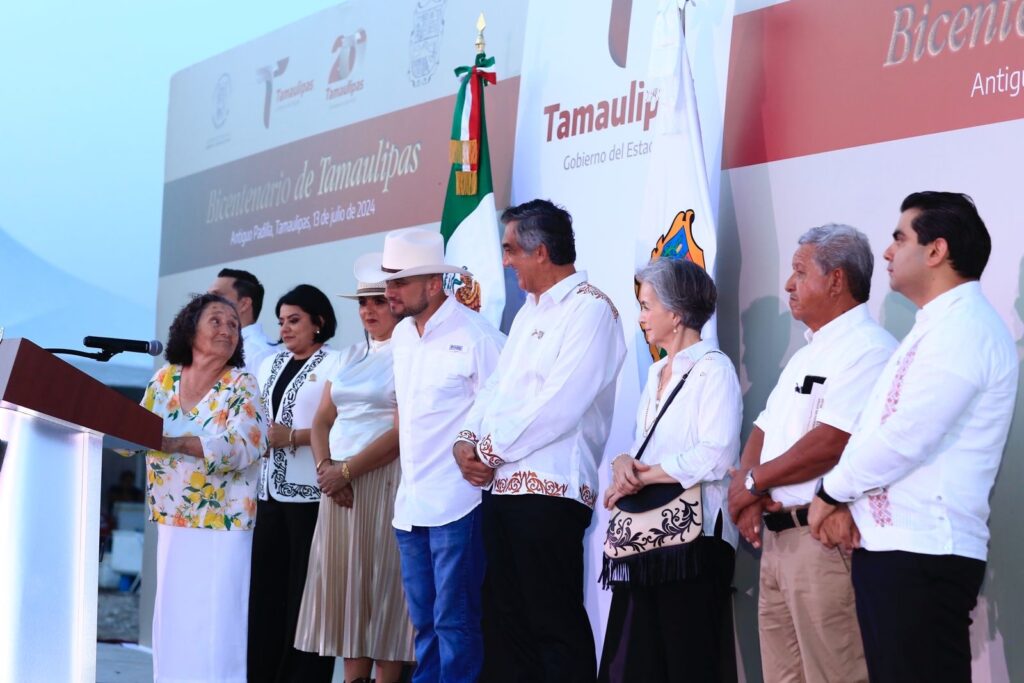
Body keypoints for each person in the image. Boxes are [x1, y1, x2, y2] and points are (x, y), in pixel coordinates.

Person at [810, 192, 1018, 683]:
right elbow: (879, 431)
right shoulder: (937, 326)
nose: (887, 251)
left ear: (936, 250)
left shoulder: (966, 327)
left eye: (899, 238)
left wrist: (830, 493)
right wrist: (847, 504)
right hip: (900, 553)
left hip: (923, 553)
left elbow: (906, 437)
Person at [453, 199, 625, 682]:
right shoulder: (527, 314)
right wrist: (465, 439)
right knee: (504, 626)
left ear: (541, 251)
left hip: (551, 494)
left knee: (553, 624)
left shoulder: (592, 309)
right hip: (501, 491)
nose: (505, 261)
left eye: (510, 250)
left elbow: (559, 404)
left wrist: (488, 451)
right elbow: (495, 388)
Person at [727, 224, 896, 683]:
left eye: (800, 272)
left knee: (835, 675)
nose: (788, 284)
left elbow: (831, 442)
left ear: (836, 280)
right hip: (778, 542)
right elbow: (763, 428)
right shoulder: (806, 354)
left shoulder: (869, 349)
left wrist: (752, 483)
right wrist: (749, 493)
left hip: (821, 543)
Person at [355, 228, 505, 683]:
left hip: (460, 504)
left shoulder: (479, 336)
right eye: (389, 281)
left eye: (400, 282)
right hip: (410, 505)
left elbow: (502, 411)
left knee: (454, 624)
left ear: (434, 283)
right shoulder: (402, 336)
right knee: (423, 625)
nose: (390, 292)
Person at [598, 257, 741, 683]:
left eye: (646, 306)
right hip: (649, 541)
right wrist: (623, 462)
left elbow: (716, 454)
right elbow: (646, 446)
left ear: (676, 314)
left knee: (687, 662)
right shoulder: (657, 371)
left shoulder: (714, 368)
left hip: (696, 543)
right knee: (641, 662)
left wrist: (643, 475)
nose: (640, 317)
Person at [138, 293, 268, 683]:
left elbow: (248, 443)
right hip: (173, 515)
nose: (227, 329)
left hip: (223, 520)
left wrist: (180, 444)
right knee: (174, 620)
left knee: (217, 625)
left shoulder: (241, 383)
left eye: (233, 324)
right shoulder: (164, 379)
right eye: (216, 321)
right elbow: (135, 431)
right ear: (190, 329)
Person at [294, 275, 415, 683]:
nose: (368, 310)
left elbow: (401, 433)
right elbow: (321, 420)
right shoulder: (348, 355)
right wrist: (327, 470)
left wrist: (346, 471)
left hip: (384, 478)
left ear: (396, 303)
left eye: (378, 301)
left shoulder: (410, 352)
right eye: (363, 302)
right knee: (347, 591)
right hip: (337, 483)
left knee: (384, 587)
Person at [248, 284, 341, 683]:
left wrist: (295, 437)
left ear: (318, 322)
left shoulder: (337, 364)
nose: (285, 328)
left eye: (295, 320)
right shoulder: (269, 363)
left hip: (311, 496)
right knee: (265, 593)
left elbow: (344, 425)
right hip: (268, 494)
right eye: (282, 321)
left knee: (306, 597)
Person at [209, 267, 275, 376]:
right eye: (208, 296)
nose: (206, 302)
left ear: (244, 304)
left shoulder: (261, 353)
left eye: (216, 296)